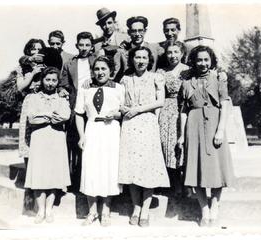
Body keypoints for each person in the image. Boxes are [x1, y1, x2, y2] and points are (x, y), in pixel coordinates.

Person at [179, 45, 235, 227]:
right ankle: (204, 209)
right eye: (199, 60)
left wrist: (220, 130)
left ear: (211, 61)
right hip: (193, 126)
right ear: (193, 62)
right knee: (196, 170)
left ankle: (215, 206)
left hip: (214, 125)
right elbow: (184, 111)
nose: (202, 63)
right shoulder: (187, 82)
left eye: (206, 60)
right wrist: (181, 135)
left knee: (217, 168)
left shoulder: (219, 78)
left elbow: (225, 105)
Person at [118, 46, 170, 227]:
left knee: (147, 167)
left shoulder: (156, 78)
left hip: (147, 123)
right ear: (132, 59)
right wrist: (124, 109)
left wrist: (137, 109)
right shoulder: (125, 79)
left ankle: (146, 209)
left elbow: (160, 101)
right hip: (130, 125)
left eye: (144, 58)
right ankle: (136, 207)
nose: (140, 61)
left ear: (149, 60)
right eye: (137, 57)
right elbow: (120, 101)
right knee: (132, 167)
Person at [75, 56, 124, 226]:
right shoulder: (85, 88)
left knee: (109, 169)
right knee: (91, 169)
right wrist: (82, 136)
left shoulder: (118, 88)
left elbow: (123, 111)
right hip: (92, 130)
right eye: (97, 69)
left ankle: (106, 211)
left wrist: (116, 115)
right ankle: (92, 211)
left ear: (110, 71)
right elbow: (79, 114)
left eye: (104, 69)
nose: (100, 72)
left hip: (111, 131)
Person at [23, 66, 71, 224]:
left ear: (58, 82)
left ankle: (49, 210)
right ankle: (40, 210)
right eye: (47, 79)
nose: (50, 83)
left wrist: (43, 115)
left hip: (56, 139)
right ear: (42, 80)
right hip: (39, 139)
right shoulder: (33, 98)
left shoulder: (62, 98)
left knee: (53, 175)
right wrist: (49, 116)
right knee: (39, 174)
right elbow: (31, 118)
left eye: (54, 80)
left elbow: (65, 115)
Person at [59, 31, 96, 191]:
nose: (84, 48)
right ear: (76, 45)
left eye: (87, 45)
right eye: (81, 45)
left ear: (92, 46)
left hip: (93, 106)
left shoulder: (97, 61)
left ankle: (89, 181)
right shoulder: (70, 63)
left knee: (91, 144)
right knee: (74, 144)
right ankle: (73, 180)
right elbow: (63, 83)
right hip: (75, 106)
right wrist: (62, 91)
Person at [156, 41, 189, 197]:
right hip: (166, 110)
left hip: (184, 109)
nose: (172, 55)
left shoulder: (188, 70)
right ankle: (172, 183)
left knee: (184, 146)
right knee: (167, 146)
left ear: (182, 53)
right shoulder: (161, 71)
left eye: (176, 52)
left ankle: (187, 183)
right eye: (169, 52)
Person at [113, 16, 161, 82]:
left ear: (145, 31)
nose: (137, 34)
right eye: (134, 31)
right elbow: (116, 76)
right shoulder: (122, 52)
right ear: (129, 32)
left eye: (140, 30)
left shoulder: (154, 49)